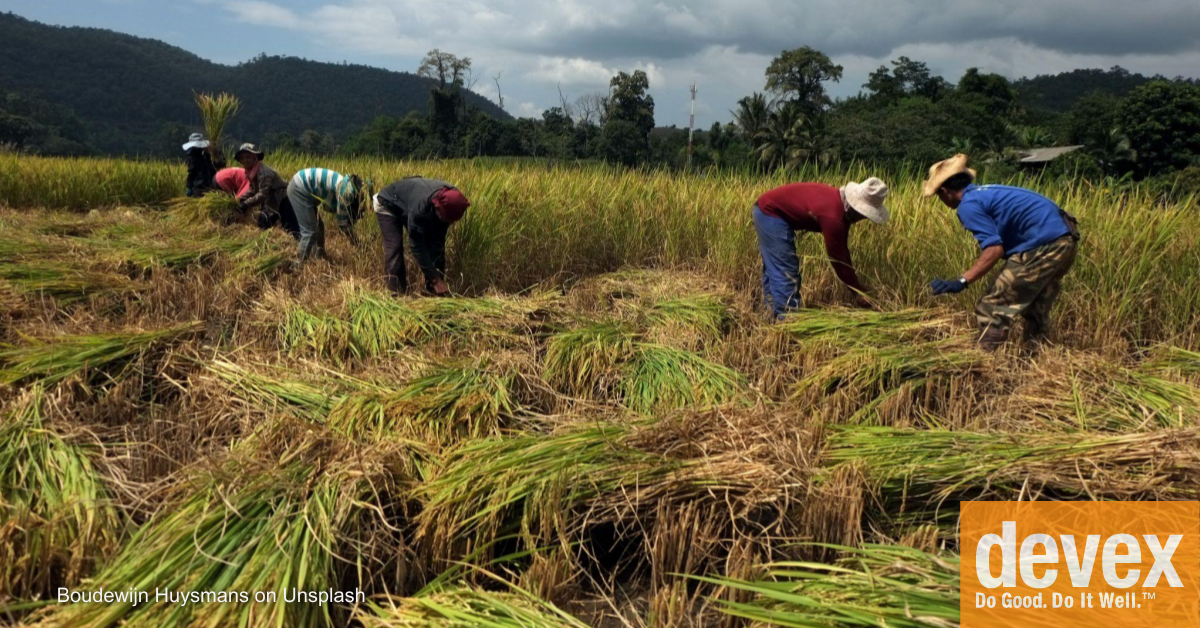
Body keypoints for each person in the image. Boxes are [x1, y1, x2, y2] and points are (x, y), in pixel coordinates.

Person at [924, 154, 1080, 351]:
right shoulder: (985, 193)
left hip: (1044, 244)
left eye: (939, 196)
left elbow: (994, 249)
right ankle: (1035, 361)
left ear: (945, 191)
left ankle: (984, 365)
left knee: (992, 305)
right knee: (1035, 307)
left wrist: (961, 281)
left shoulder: (968, 205)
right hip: (1065, 239)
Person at [752, 177, 890, 318]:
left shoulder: (842, 208)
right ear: (856, 209)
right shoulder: (834, 216)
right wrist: (857, 292)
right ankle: (786, 322)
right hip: (770, 213)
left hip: (765, 210)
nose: (863, 218)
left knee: (774, 269)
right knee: (785, 272)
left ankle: (770, 316)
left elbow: (843, 251)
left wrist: (858, 289)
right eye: (864, 215)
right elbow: (837, 259)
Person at [373, 177, 470, 296]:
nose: (449, 223)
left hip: (408, 203)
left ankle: (434, 293)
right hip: (388, 204)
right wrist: (436, 280)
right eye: (447, 219)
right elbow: (416, 246)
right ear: (438, 207)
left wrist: (437, 277)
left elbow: (437, 241)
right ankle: (396, 294)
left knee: (436, 245)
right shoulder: (420, 207)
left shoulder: (453, 199)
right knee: (395, 247)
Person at [285, 167, 363, 262]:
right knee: (310, 231)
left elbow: (332, 208)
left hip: (304, 188)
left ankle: (319, 257)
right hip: (299, 189)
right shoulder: (346, 192)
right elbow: (342, 224)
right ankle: (297, 264)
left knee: (319, 227)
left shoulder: (345, 184)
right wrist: (356, 241)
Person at [234, 143, 299, 239]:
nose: (245, 160)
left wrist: (246, 204)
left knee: (290, 227)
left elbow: (262, 194)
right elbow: (253, 189)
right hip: (270, 200)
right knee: (263, 225)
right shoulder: (250, 171)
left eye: (248, 157)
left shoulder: (264, 173)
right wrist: (240, 199)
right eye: (242, 158)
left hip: (283, 199)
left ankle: (297, 249)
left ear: (255, 158)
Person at [182, 133, 217, 197]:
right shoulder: (193, 157)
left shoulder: (206, 154)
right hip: (199, 187)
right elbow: (191, 173)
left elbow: (212, 168)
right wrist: (189, 187)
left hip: (209, 185)